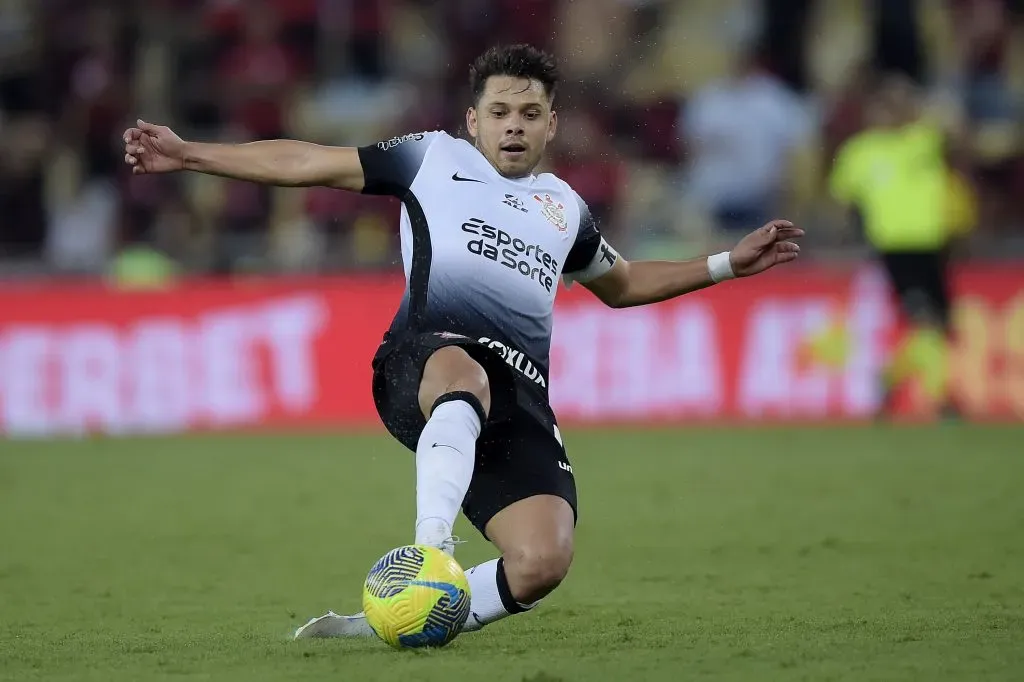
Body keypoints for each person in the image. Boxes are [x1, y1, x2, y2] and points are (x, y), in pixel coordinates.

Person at [122, 44, 803, 638]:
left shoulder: (564, 207)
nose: (514, 125)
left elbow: (621, 283)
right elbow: (309, 161)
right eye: (500, 112)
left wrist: (725, 265)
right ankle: (427, 553)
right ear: (473, 121)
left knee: (542, 562)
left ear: (551, 125)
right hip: (423, 362)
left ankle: (390, 620)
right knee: (464, 374)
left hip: (517, 395)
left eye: (530, 113)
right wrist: (190, 155)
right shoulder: (430, 158)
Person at [828, 73, 966, 419]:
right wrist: (846, 238)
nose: (886, 114)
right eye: (882, 106)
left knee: (939, 326)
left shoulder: (923, 139)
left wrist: (920, 103)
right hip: (895, 249)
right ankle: (943, 401)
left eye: (894, 106)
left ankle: (889, 380)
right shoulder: (860, 152)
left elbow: (958, 131)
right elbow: (842, 200)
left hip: (933, 245)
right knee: (925, 320)